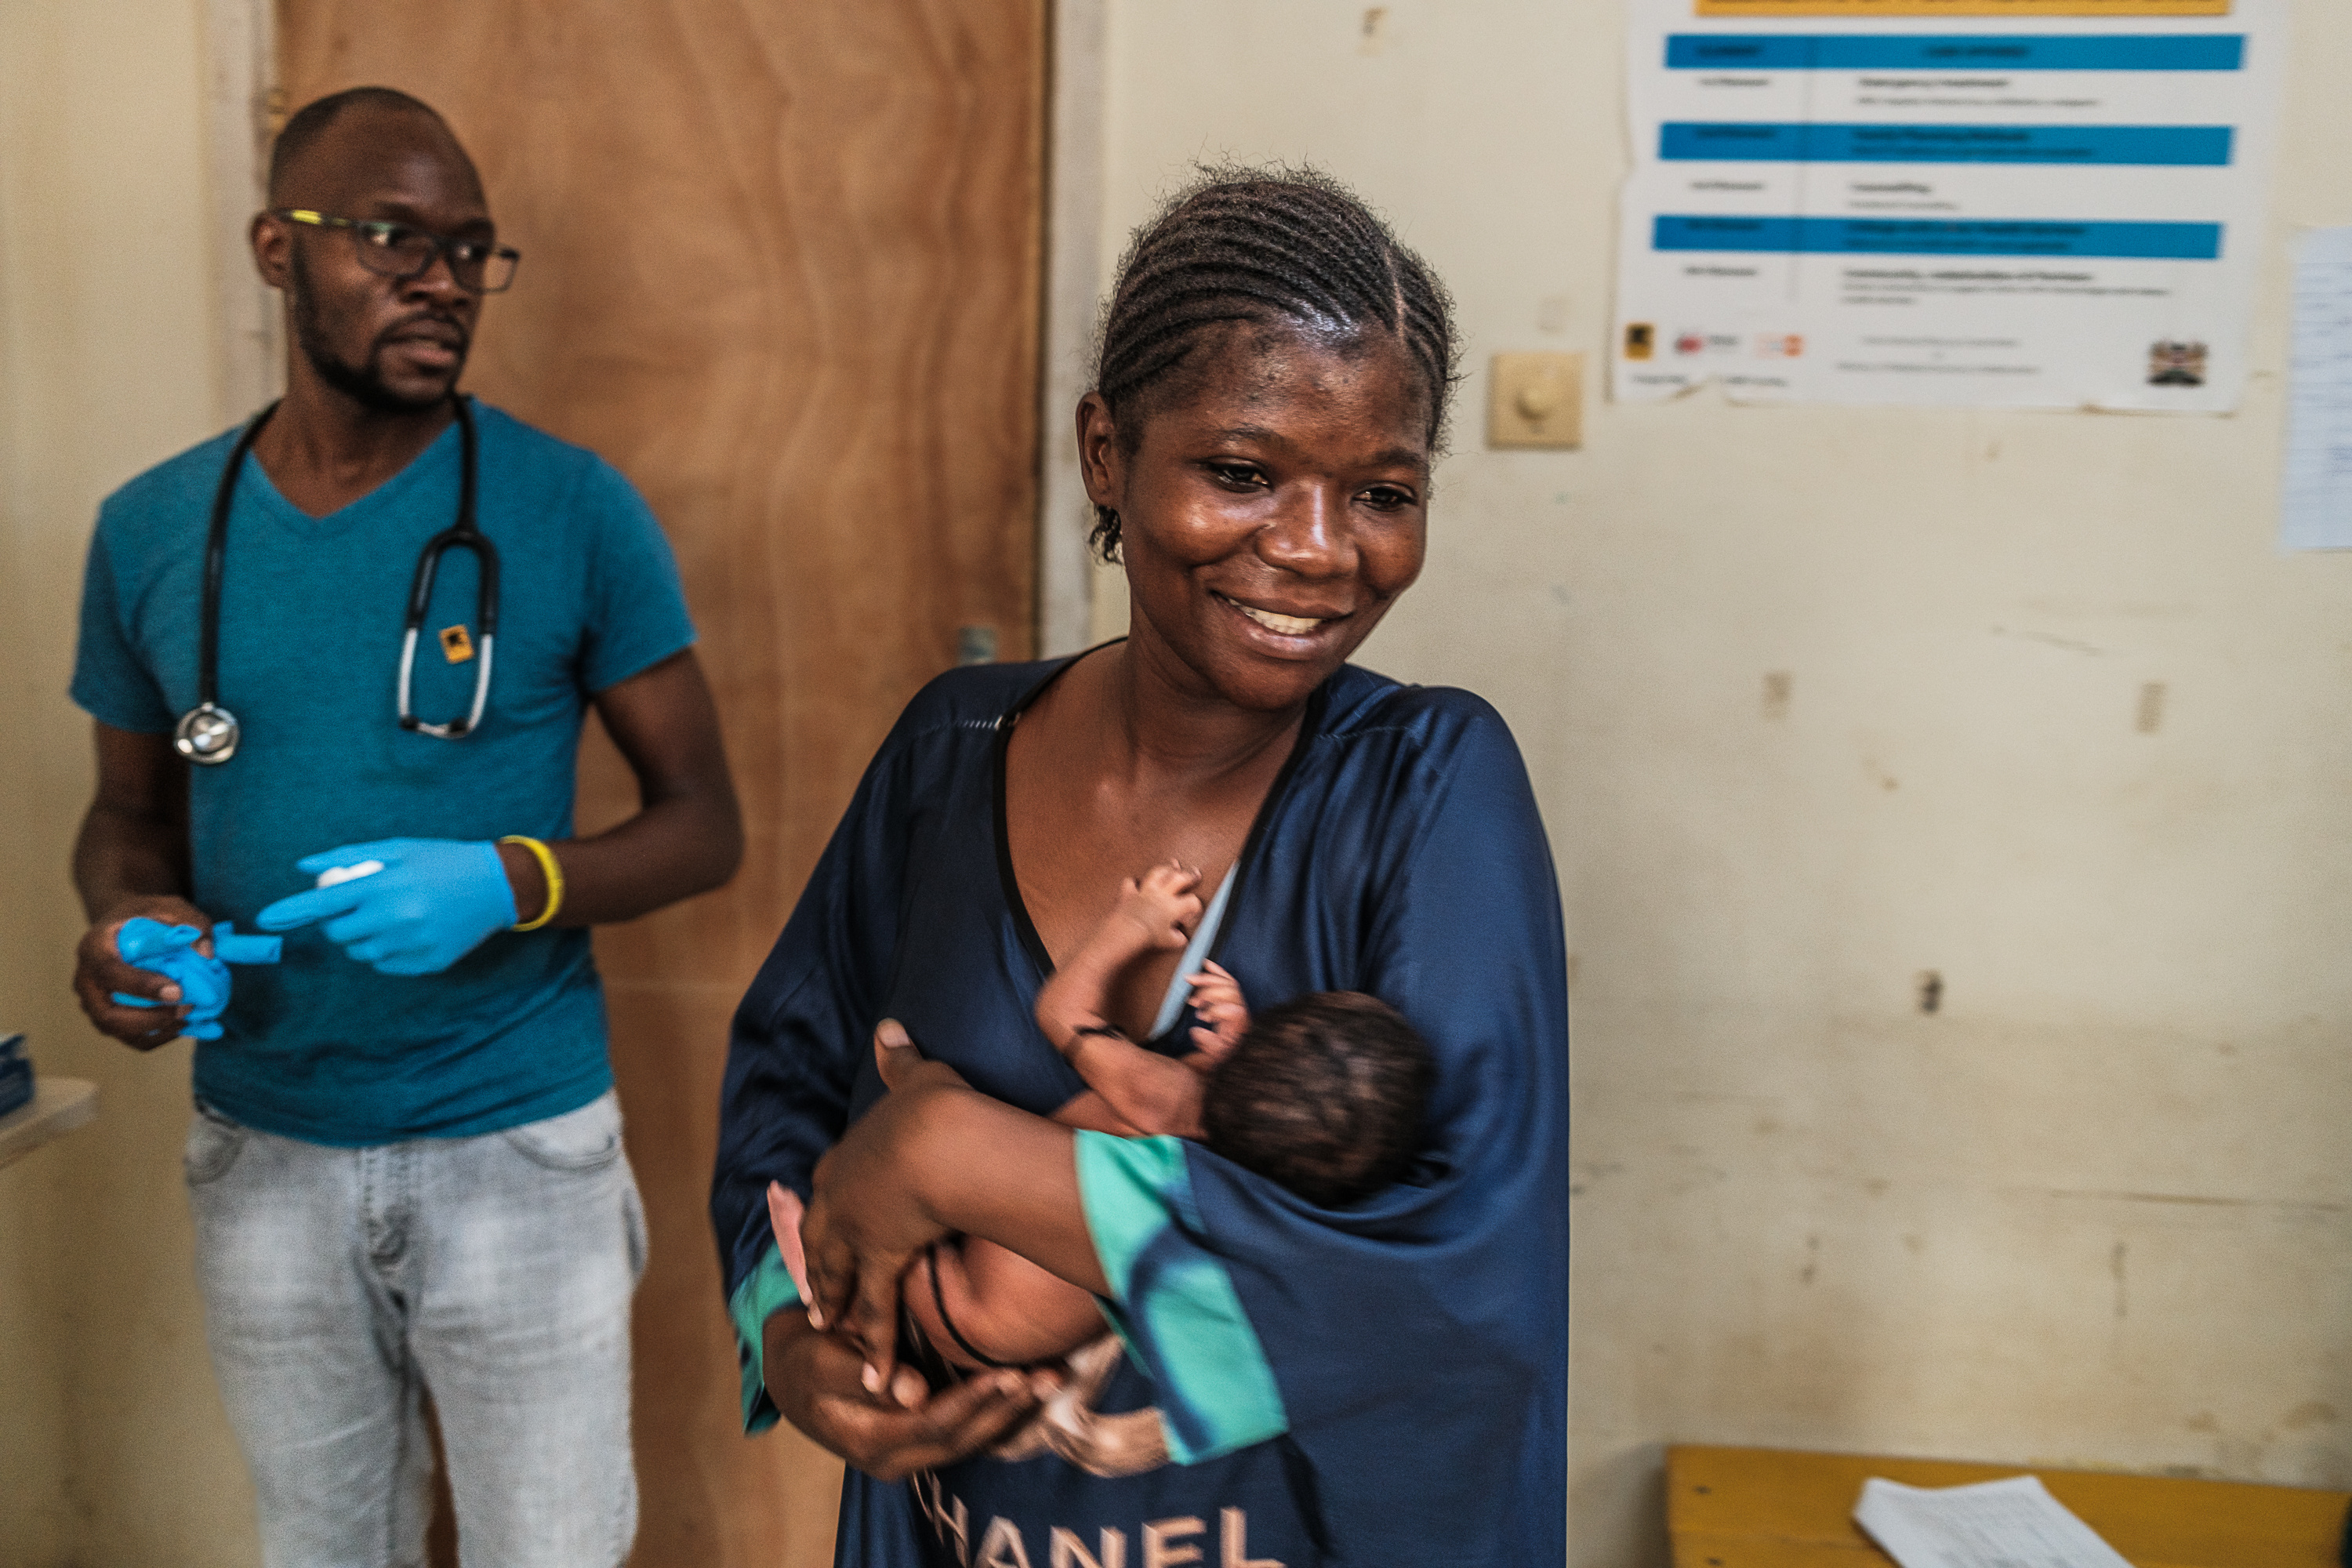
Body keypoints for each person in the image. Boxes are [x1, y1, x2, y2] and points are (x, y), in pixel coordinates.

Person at [713, 167, 1566, 1566]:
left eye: (1382, 493)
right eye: (1241, 472)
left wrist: (948, 1154)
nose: (1314, 550)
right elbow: (790, 1083)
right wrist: (799, 1337)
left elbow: (1457, 1292)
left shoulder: (1429, 789)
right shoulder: (951, 749)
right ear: (1107, 454)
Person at [68, 86, 742, 1568]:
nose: (442, 279)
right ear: (275, 247)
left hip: (518, 1146)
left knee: (550, 1549)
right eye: (394, 239)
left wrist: (513, 880)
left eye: (471, 250)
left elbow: (704, 825)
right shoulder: (155, 530)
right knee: (321, 1548)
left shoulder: (573, 513)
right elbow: (123, 820)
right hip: (265, 1153)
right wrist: (124, 933)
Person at [766, 861, 1436, 1377]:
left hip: (963, 1301)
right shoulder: (1243, 1178)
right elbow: (1276, 1100)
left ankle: (821, 1281)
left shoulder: (1167, 1098)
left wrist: (1134, 926)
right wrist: (1237, 1036)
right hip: (1011, 1325)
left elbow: (1064, 1015)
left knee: (932, 1104)